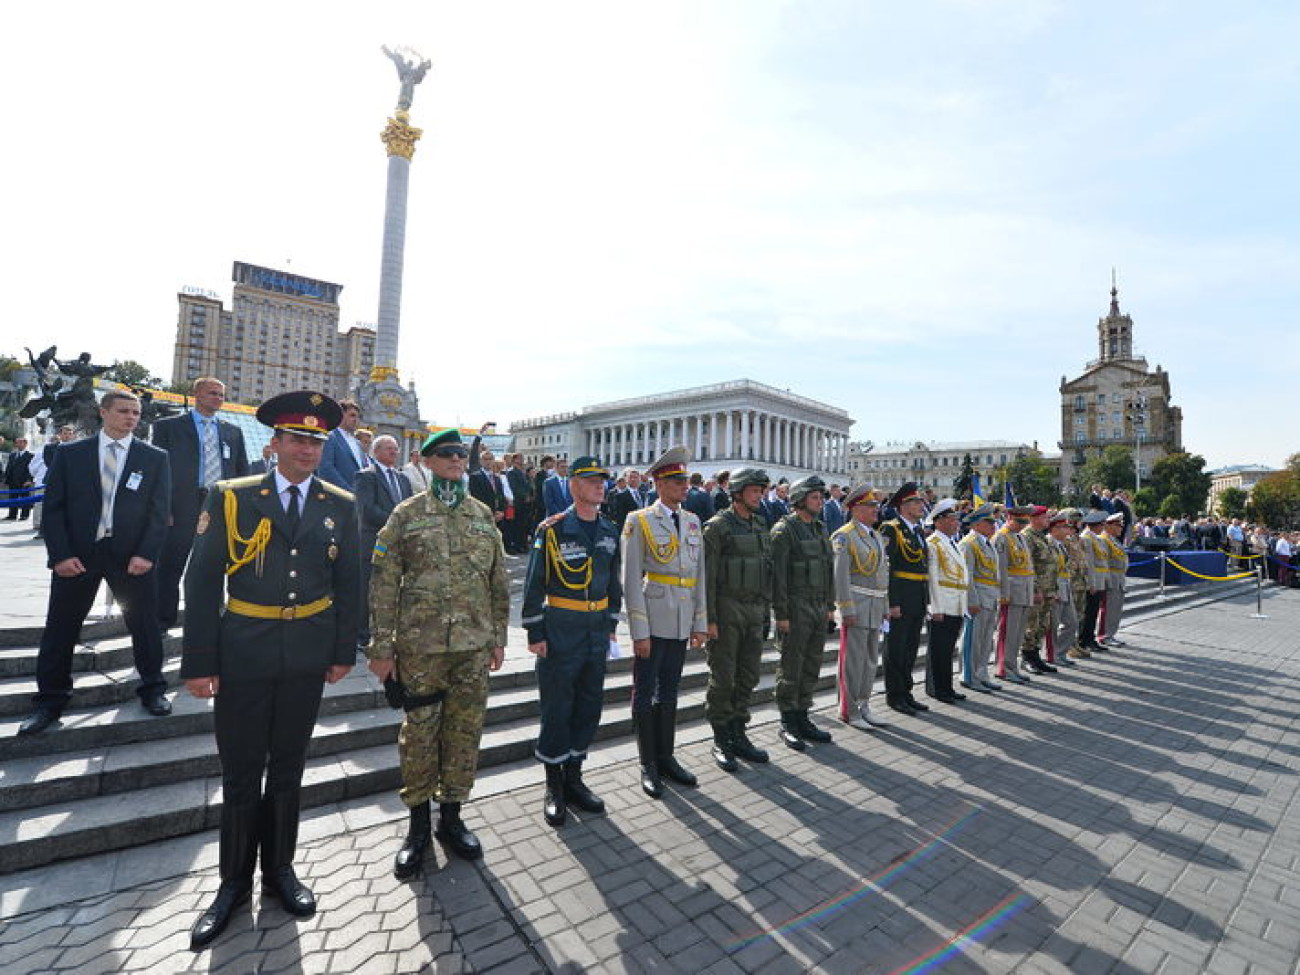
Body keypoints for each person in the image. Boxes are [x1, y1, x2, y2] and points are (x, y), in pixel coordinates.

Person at [181, 391, 360, 950]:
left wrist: (342, 651)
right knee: (239, 772)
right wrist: (199, 662)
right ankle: (232, 883)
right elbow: (203, 580)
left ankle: (280, 872)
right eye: (298, 439)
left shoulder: (340, 502)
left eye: (317, 441)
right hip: (243, 653)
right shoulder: (232, 496)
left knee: (288, 767)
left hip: (306, 654)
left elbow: (351, 582)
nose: (308, 449)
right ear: (275, 443)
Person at [368, 428, 508, 874]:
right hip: (421, 648)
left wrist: (499, 637)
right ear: (427, 462)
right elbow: (384, 583)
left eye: (460, 456)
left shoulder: (482, 514)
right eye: (445, 455)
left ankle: (452, 816)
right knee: (420, 735)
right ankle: (416, 825)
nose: (454, 461)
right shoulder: (405, 515)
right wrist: (381, 646)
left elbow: (498, 582)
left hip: (472, 646)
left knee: (465, 732)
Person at [18, 391, 172, 736]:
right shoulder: (71, 454)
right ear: (104, 413)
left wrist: (146, 553)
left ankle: (153, 690)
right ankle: (49, 702)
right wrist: (59, 555)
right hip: (78, 558)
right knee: (60, 630)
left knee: (145, 626)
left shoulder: (154, 458)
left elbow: (159, 513)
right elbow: (54, 508)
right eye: (123, 411)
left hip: (131, 559)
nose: (131, 417)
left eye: (136, 412)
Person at [521, 456, 622, 826]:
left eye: (603, 480)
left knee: (589, 705)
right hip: (561, 628)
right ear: (574, 485)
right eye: (592, 480)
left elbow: (613, 584)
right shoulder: (552, 530)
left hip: (596, 629)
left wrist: (612, 624)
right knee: (557, 707)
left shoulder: (610, 531)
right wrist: (535, 631)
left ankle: (575, 778)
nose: (600, 486)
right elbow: (533, 583)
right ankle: (554, 784)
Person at [621, 446, 708, 798]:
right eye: (676, 480)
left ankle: (667, 756)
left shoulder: (692, 521)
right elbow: (630, 580)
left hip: (681, 618)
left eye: (685, 479)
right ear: (659, 483)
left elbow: (699, 574)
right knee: (645, 691)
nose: (684, 486)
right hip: (653, 618)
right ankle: (648, 763)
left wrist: (699, 622)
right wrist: (638, 631)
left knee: (670, 690)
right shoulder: (638, 520)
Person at [151, 377, 250, 629]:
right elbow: (158, 471)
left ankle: (211, 620)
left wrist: (240, 509)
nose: (218, 398)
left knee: (212, 565)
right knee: (171, 565)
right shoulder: (169, 427)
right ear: (196, 394)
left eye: (221, 394)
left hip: (218, 505)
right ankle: (162, 621)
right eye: (212, 393)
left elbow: (242, 473)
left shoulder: (232, 431)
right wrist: (164, 510)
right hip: (181, 506)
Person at [702, 467, 774, 770]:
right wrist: (709, 620)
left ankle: (739, 732)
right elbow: (707, 577)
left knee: (748, 675)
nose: (760, 496)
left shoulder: (760, 524)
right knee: (723, 678)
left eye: (761, 491)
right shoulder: (717, 527)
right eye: (755, 491)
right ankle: (721, 737)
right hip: (727, 610)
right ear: (738, 493)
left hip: (754, 611)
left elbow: (767, 570)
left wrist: (767, 611)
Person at [771, 475, 835, 749]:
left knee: (812, 664)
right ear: (799, 500)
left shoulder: (820, 529)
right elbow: (778, 577)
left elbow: (827, 571)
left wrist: (830, 607)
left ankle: (803, 716)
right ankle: (788, 721)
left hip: (818, 607)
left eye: (821, 497)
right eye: (814, 497)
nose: (820, 501)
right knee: (791, 667)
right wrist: (782, 614)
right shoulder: (784, 531)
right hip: (795, 608)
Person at [831, 485, 891, 730]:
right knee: (852, 661)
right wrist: (846, 609)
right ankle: (849, 709)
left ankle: (864, 703)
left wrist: (885, 605)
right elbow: (840, 576)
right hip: (856, 604)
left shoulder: (875, 535)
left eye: (876, 506)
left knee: (869, 661)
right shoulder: (844, 536)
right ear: (856, 508)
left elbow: (881, 573)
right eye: (870, 506)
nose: (876, 510)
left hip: (875, 604)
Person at [354, 434, 413, 652]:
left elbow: (409, 508)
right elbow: (367, 510)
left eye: (396, 449)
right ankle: (363, 634)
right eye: (389, 448)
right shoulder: (365, 476)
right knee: (368, 588)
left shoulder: (403, 479)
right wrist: (397, 523)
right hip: (373, 543)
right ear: (376, 451)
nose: (394, 452)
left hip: (399, 545)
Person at [880, 482, 932, 715]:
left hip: (918, 597)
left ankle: (907, 692)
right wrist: (892, 603)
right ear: (904, 505)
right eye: (916, 502)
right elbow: (888, 569)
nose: (921, 505)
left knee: (910, 649)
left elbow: (922, 567)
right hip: (901, 598)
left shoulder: (918, 530)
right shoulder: (891, 529)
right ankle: (895, 695)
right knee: (896, 649)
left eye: (921, 501)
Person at [924, 499, 968, 703]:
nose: (956, 523)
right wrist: (935, 607)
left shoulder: (953, 543)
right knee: (938, 650)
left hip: (957, 603)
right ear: (939, 521)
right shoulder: (933, 544)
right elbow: (932, 578)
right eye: (951, 519)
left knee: (948, 649)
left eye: (956, 520)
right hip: (942, 603)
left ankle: (947, 687)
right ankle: (936, 689)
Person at [959, 504, 1002, 692]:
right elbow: (966, 575)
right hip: (978, 597)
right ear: (976, 525)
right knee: (973, 640)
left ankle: (982, 672)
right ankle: (969, 675)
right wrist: (971, 600)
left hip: (990, 596)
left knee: (986, 640)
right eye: (988, 522)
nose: (993, 526)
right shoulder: (968, 544)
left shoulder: (987, 543)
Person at [993, 505, 1037, 685]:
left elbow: (1028, 566)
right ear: (1009, 518)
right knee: (1007, 633)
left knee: (1017, 634)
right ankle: (1003, 667)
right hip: (1011, 592)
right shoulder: (1001, 538)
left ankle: (1012, 666)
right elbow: (1000, 569)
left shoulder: (1020, 537)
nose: (1022, 525)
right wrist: (1003, 594)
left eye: (1025, 522)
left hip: (1024, 590)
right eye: (1019, 521)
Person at [1018, 505, 1060, 676]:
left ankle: (1036, 656)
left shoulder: (1042, 537)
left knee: (1042, 625)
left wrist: (1054, 589)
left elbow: (1051, 565)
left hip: (1048, 589)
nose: (1048, 520)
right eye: (1045, 517)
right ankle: (1027, 658)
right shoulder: (1027, 537)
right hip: (1037, 590)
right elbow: (1029, 566)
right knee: (1031, 625)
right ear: (1034, 518)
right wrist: (1035, 589)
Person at [1046, 511, 1080, 668]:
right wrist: (1053, 590)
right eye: (1064, 527)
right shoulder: (1048, 543)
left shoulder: (1062, 544)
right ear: (1054, 529)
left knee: (1072, 622)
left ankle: (1060, 652)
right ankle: (1052, 655)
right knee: (1053, 625)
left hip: (1065, 586)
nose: (1068, 530)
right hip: (1055, 588)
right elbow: (1048, 569)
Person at [1076, 510, 1110, 651]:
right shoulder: (1087, 538)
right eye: (1101, 525)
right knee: (1089, 612)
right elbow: (1088, 562)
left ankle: (1090, 638)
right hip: (1093, 580)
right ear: (1094, 525)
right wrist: (1091, 583)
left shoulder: (1095, 537)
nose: (1103, 528)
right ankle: (1085, 640)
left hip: (1099, 579)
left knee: (1094, 611)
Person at [317, 399, 367, 489]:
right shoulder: (330, 437)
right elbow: (326, 469)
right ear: (341, 415)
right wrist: (347, 492)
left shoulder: (358, 443)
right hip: (338, 497)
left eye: (358, 417)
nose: (356, 420)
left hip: (359, 498)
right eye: (352, 415)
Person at [1098, 512, 1129, 647]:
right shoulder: (1103, 540)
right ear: (1108, 526)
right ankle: (1104, 635)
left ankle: (1111, 634)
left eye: (1121, 525)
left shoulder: (1114, 540)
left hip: (1119, 578)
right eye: (1117, 525)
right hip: (1110, 578)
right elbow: (1103, 561)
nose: (1120, 528)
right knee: (1108, 609)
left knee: (1116, 609)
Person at [3, 435, 35, 520]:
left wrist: (29, 480)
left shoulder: (30, 455)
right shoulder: (12, 455)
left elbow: (32, 469)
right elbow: (9, 467)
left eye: (20, 442)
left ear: (25, 444)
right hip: (13, 481)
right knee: (12, 498)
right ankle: (12, 515)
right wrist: (6, 479)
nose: (18, 444)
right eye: (17, 442)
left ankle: (24, 515)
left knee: (25, 498)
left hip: (24, 481)